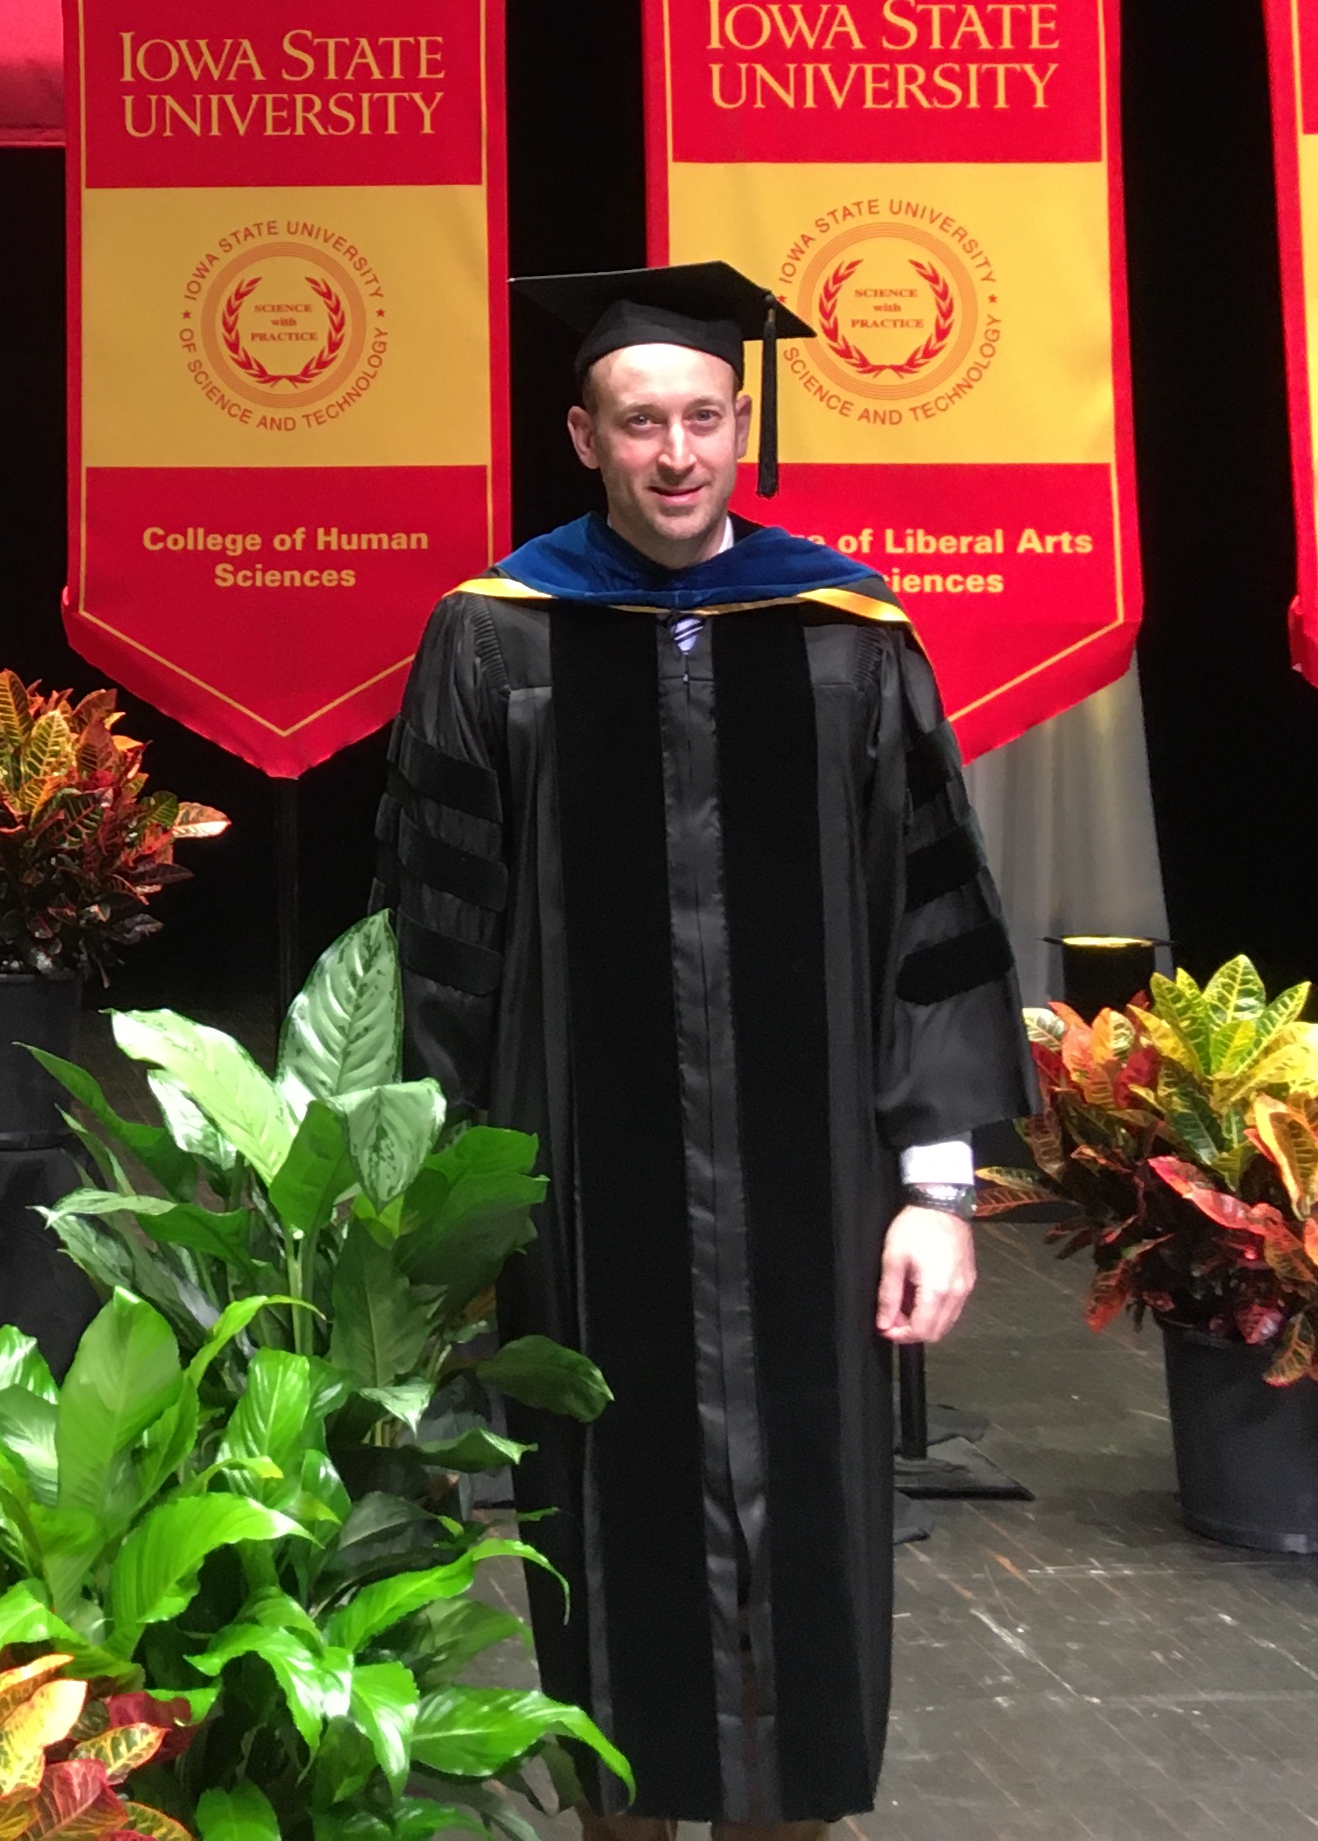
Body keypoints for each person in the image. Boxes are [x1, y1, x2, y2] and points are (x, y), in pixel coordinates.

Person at [372, 265, 1028, 1840]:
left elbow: (930, 912)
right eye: (642, 423)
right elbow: (437, 938)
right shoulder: (499, 639)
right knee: (608, 1551)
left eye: (707, 420)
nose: (679, 454)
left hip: (817, 1194)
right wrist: (432, 1214)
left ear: (747, 426)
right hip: (588, 1201)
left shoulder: (844, 633)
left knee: (812, 1559)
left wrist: (937, 1186)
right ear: (584, 437)